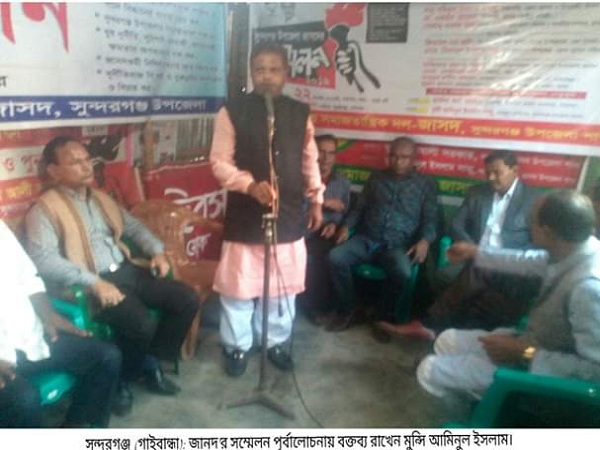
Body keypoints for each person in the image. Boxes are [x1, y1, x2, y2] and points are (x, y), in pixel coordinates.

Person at [24, 136, 200, 415]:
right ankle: (121, 380)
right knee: (140, 322)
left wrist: (156, 251)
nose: (86, 167)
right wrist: (94, 282)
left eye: (87, 160)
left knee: (186, 298)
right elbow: (43, 260)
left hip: (128, 270)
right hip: (91, 284)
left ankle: (149, 361)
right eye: (75, 162)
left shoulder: (100, 199)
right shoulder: (44, 210)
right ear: (54, 171)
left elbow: (134, 228)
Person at [416, 190, 600, 422]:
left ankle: (486, 418)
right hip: (530, 343)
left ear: (548, 232)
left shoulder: (588, 288)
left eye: (531, 220)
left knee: (428, 369)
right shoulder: (573, 248)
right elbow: (524, 261)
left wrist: (525, 353)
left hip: (540, 379)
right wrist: (476, 252)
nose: (527, 225)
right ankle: (477, 406)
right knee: (446, 340)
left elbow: (594, 372)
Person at [209, 42, 323, 377]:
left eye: (274, 70)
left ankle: (274, 341)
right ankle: (237, 346)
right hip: (246, 213)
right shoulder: (231, 111)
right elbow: (219, 162)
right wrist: (248, 184)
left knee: (282, 287)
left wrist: (317, 198)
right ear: (251, 73)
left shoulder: (299, 112)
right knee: (239, 286)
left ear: (285, 73)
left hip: (288, 212)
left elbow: (309, 159)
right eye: (260, 70)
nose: (267, 77)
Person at [379, 150, 541, 340]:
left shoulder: (534, 200)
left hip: (510, 265)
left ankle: (433, 326)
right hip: (474, 258)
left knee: (481, 275)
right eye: (487, 173)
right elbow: (456, 225)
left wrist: (500, 257)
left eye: (497, 172)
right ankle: (447, 333)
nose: (491, 178)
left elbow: (538, 243)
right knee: (454, 273)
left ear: (515, 170)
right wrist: (472, 249)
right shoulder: (477, 193)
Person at [0, 219, 121, 428]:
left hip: (28, 337)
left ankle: (78, 427)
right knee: (23, 400)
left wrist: (48, 315)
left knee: (106, 356)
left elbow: (28, 277)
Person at [326, 136, 439, 342]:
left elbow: (431, 219)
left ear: (414, 159)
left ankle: (383, 317)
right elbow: (359, 208)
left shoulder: (426, 184)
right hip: (367, 238)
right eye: (394, 156)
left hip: (398, 245)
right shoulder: (376, 177)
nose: (398, 161)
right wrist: (346, 226)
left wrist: (425, 240)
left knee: (403, 272)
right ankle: (349, 309)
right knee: (335, 257)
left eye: (404, 157)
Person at [297, 134, 351, 324]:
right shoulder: (299, 178)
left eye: (331, 153)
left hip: (324, 233)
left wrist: (334, 223)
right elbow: (292, 209)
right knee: (310, 256)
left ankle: (324, 307)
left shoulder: (342, 182)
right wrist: (324, 202)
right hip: (299, 232)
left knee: (328, 256)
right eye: (321, 152)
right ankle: (312, 309)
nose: (326, 158)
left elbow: (344, 210)